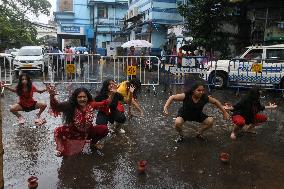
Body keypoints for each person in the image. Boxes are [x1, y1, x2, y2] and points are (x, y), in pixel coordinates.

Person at [47, 86, 110, 157]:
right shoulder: (70, 106)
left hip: (88, 132)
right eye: (79, 97)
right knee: (70, 155)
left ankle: (93, 143)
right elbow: (56, 107)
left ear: (87, 97)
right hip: (74, 134)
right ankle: (60, 149)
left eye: (84, 97)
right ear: (75, 98)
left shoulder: (91, 105)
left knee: (104, 129)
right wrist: (52, 96)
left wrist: (112, 94)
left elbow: (105, 103)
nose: (82, 99)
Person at [163, 82, 230, 142]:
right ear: (193, 91)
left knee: (210, 121)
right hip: (184, 114)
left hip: (197, 115)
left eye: (202, 90)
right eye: (198, 90)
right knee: (177, 122)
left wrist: (224, 112)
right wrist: (166, 107)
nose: (201, 92)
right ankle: (181, 135)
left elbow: (215, 101)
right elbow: (172, 97)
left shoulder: (204, 97)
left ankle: (199, 133)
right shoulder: (186, 96)